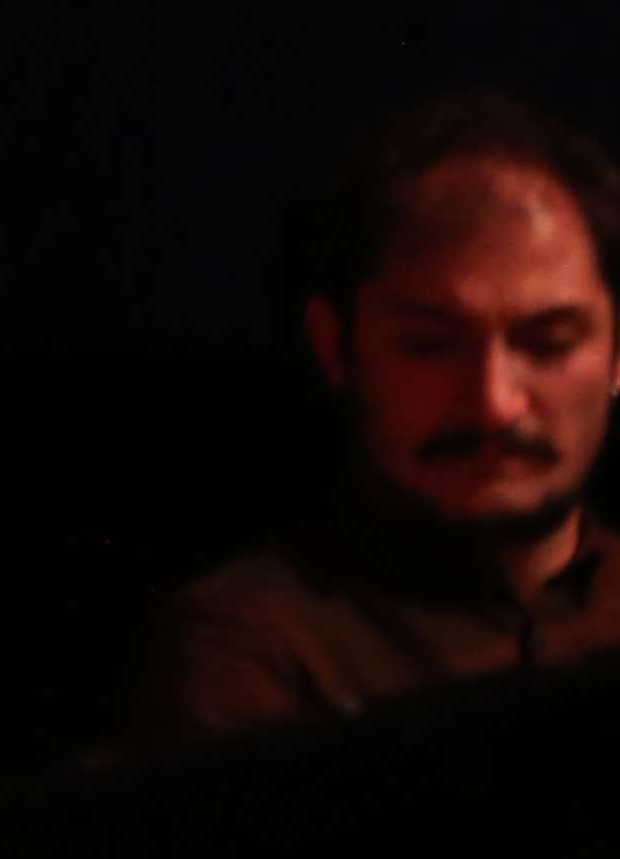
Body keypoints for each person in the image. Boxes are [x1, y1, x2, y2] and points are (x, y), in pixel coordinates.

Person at [130, 91, 620, 741]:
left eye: (548, 343)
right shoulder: (253, 646)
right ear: (336, 347)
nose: (494, 401)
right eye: (430, 345)